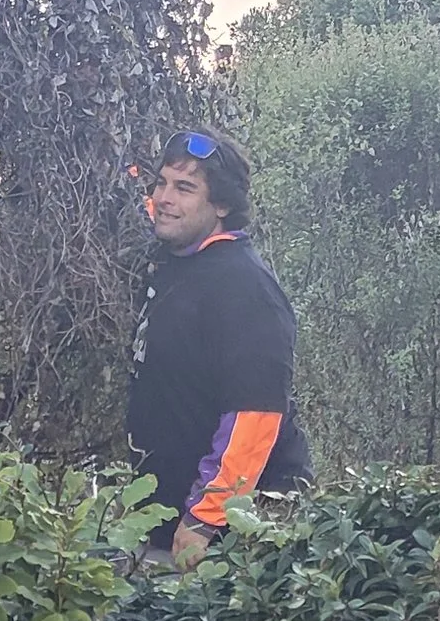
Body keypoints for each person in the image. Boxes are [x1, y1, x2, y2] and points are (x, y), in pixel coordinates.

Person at [125, 128, 313, 564]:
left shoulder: (244, 287)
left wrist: (205, 518)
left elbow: (255, 416)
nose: (164, 198)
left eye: (185, 188)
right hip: (164, 521)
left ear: (222, 205)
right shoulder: (177, 261)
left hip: (235, 535)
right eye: (161, 183)